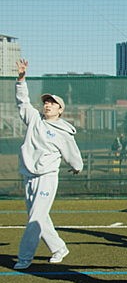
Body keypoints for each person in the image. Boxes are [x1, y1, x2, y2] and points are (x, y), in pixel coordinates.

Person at [12, 59, 83, 270]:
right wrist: (21, 79)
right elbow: (22, 102)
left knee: (35, 218)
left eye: (52, 103)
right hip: (29, 176)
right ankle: (59, 248)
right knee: (40, 218)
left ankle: (24, 258)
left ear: (60, 109)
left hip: (47, 177)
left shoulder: (63, 131)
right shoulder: (34, 119)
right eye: (46, 102)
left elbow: (72, 153)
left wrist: (77, 165)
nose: (48, 105)